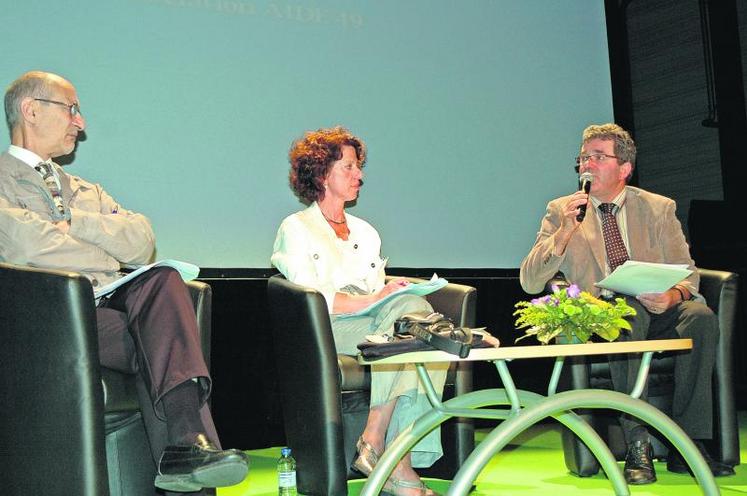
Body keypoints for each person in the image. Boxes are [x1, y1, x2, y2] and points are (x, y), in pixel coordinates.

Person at [0, 71, 249, 495]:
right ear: (31, 109)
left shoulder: (84, 192)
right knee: (163, 346)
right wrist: (104, 252)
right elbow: (24, 244)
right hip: (49, 319)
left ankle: (187, 450)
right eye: (72, 109)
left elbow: (140, 240)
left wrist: (72, 221)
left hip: (108, 312)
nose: (81, 123)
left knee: (163, 280)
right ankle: (189, 455)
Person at [519, 123, 735, 484]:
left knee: (699, 316)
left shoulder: (657, 208)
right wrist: (563, 233)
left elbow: (688, 273)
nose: (587, 165)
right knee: (626, 310)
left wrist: (673, 295)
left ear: (624, 168)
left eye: (598, 157)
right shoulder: (561, 210)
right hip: (598, 318)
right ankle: (639, 444)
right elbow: (529, 281)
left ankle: (689, 444)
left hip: (657, 307)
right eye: (583, 158)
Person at [271, 126, 448, 496]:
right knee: (421, 328)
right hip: (327, 326)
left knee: (415, 327)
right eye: (349, 167)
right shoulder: (297, 228)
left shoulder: (366, 231)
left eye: (358, 167)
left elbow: (377, 292)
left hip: (375, 322)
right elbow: (316, 296)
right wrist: (376, 299)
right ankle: (392, 458)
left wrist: (385, 297)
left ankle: (379, 445)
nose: (359, 175)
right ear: (321, 173)